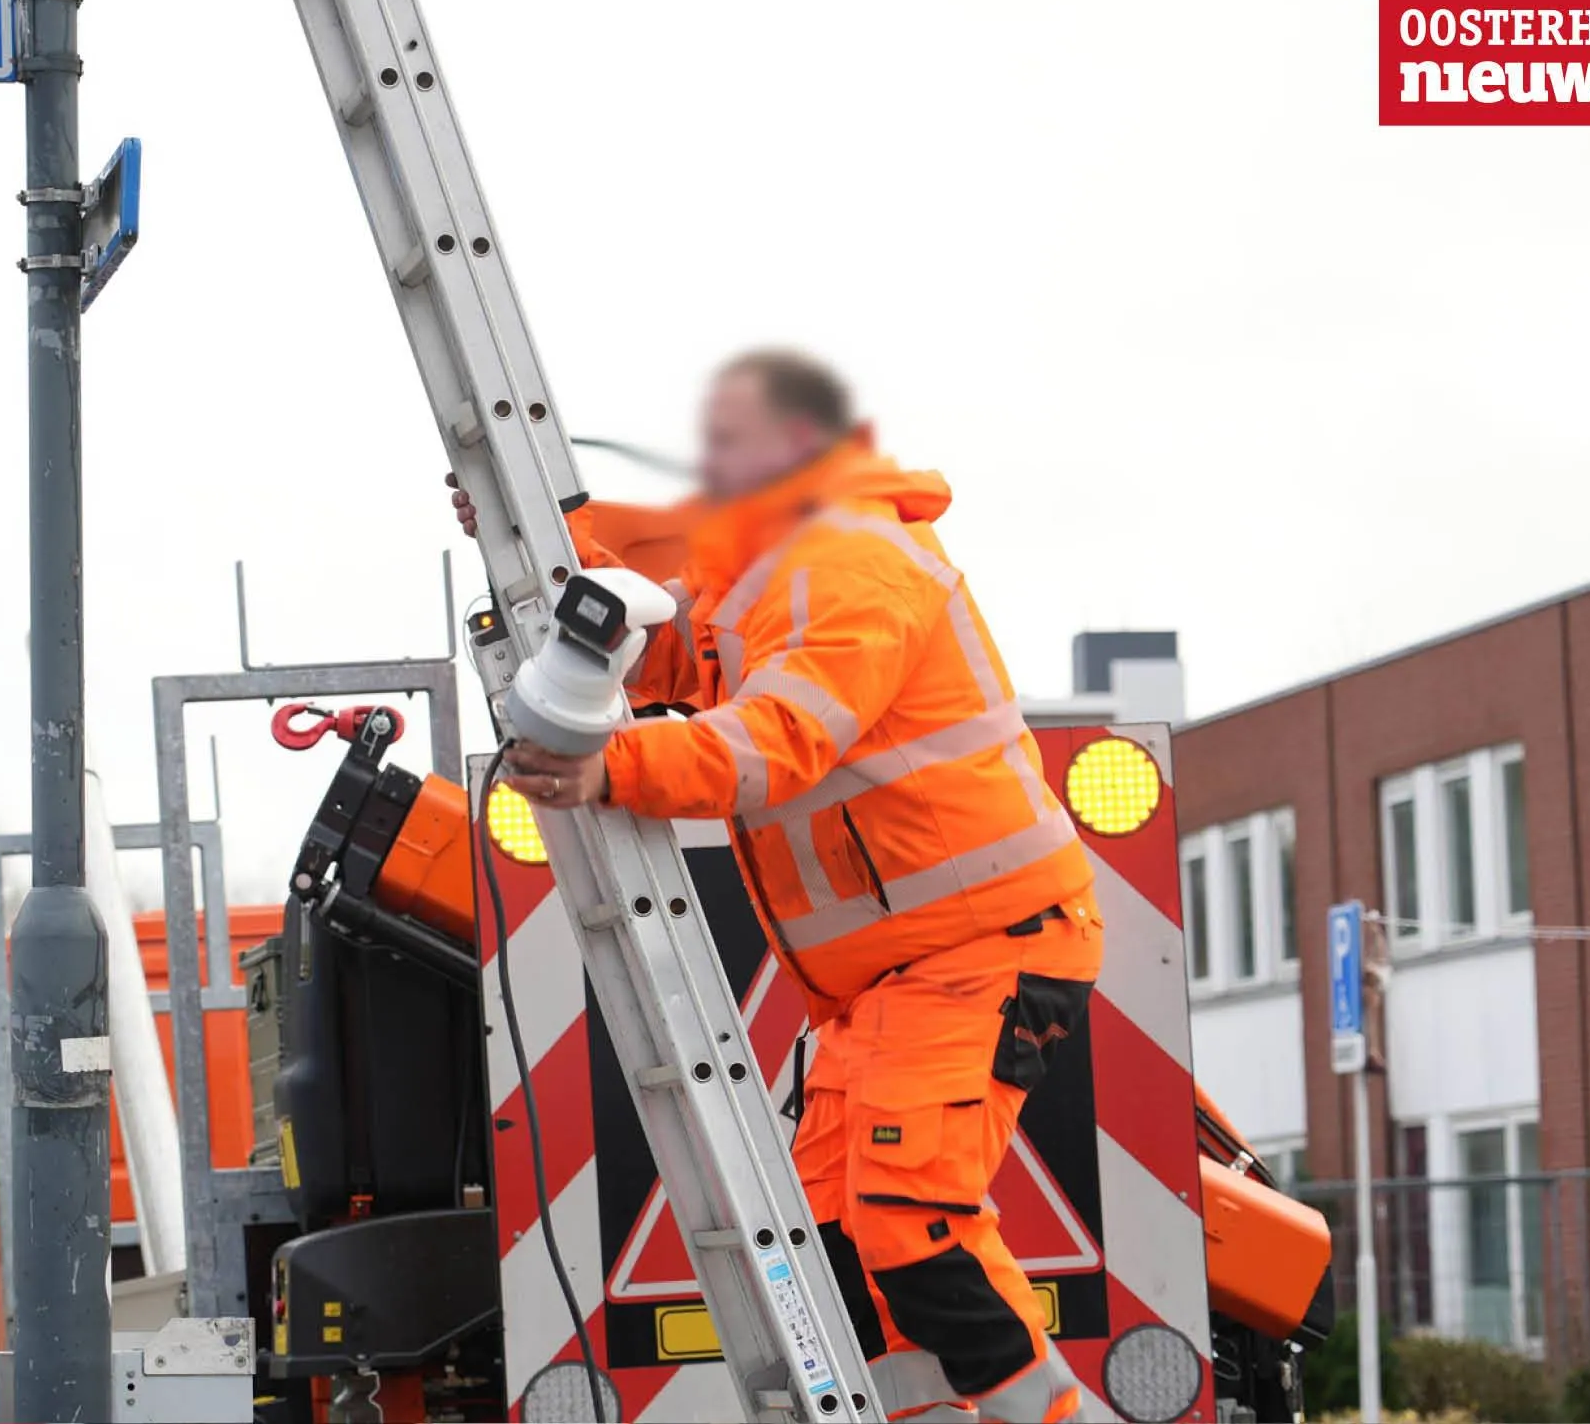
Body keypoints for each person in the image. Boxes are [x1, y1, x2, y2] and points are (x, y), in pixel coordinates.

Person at [452, 349, 1110, 1424]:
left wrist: (609, 767)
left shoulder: (858, 564)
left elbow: (782, 735)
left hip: (976, 953)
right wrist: (520, 526)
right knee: (838, 1245)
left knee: (912, 1220)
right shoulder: (765, 574)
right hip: (883, 990)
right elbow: (671, 653)